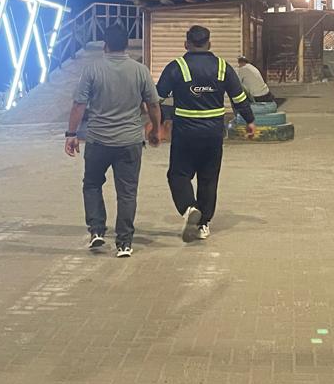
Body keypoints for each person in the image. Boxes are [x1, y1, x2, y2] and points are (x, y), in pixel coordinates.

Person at [64, 24, 161, 257]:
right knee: (127, 192)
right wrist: (156, 129)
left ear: (105, 45)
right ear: (126, 45)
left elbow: (79, 104)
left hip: (98, 141)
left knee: (92, 184)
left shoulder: (92, 69)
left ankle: (97, 230)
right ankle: (124, 243)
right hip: (130, 141)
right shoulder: (140, 70)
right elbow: (153, 104)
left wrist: (71, 134)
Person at [156, 25, 255, 242]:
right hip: (213, 134)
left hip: (185, 134)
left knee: (178, 175)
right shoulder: (222, 67)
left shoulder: (177, 67)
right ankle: (203, 224)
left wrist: (159, 123)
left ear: (186, 44)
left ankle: (189, 208)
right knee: (208, 179)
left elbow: (157, 98)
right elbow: (239, 98)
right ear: (209, 44)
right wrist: (249, 120)